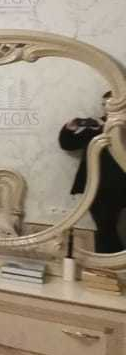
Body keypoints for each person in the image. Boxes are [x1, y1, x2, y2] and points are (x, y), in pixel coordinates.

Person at [59, 93, 126, 254]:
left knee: (107, 229)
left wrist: (106, 127)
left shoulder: (121, 128)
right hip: (96, 186)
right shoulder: (95, 126)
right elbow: (68, 145)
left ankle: (111, 263)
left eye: (110, 104)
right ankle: (109, 264)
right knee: (105, 228)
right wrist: (69, 129)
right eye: (104, 104)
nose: (106, 108)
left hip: (120, 185)